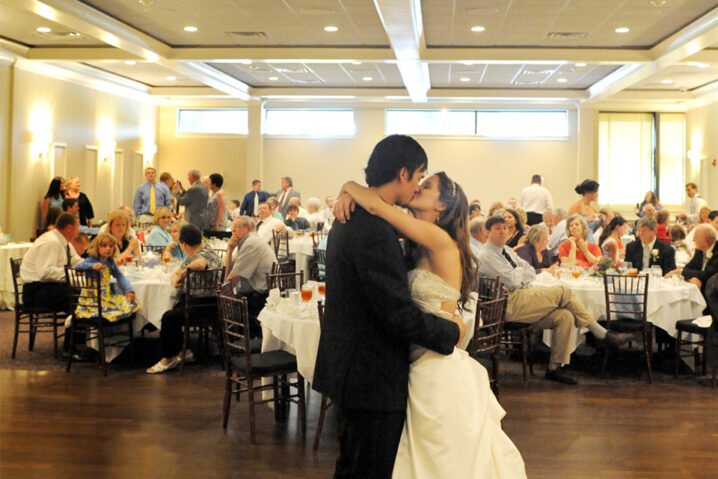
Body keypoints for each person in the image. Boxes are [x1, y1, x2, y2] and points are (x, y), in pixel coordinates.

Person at [337, 171, 526, 478]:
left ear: (441, 206)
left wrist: (348, 186)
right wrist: (350, 197)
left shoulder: (438, 239)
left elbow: (376, 205)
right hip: (412, 354)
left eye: (426, 187)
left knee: (439, 458)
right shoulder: (416, 240)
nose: (417, 189)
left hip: (434, 361)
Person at [313, 135, 465, 479]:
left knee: (355, 465)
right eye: (419, 176)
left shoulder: (356, 217)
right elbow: (396, 314)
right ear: (403, 173)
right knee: (369, 468)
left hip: (361, 368)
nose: (418, 186)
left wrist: (349, 186)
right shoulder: (374, 229)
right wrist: (452, 330)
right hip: (371, 375)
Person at [478, 215, 630, 385]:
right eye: (497, 228)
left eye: (505, 228)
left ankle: (554, 368)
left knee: (565, 316)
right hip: (507, 305)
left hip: (522, 295)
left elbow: (529, 270)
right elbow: (515, 280)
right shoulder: (487, 255)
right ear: (487, 232)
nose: (503, 231)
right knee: (563, 291)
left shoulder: (505, 250)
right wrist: (521, 274)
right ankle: (600, 332)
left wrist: (520, 273)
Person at [147, 225, 222, 374]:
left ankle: (167, 358)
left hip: (207, 305)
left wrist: (182, 275)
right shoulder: (195, 255)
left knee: (168, 317)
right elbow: (175, 274)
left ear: (184, 244)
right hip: (196, 301)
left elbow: (199, 264)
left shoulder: (204, 253)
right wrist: (177, 278)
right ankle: (182, 350)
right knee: (171, 310)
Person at [224, 216, 277, 337]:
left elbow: (233, 277)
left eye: (236, 227)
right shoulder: (246, 242)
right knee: (222, 298)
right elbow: (227, 271)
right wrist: (230, 249)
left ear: (247, 228)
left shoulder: (251, 243)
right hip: (255, 292)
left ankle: (232, 344)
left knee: (218, 303)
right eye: (232, 228)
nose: (233, 231)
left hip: (259, 296)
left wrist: (221, 290)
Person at [21, 213, 82, 312]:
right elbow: (45, 273)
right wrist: (74, 272)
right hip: (35, 291)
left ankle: (76, 324)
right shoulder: (51, 242)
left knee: (85, 291)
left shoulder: (64, 242)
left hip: (50, 286)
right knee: (79, 294)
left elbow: (77, 261)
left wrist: (91, 266)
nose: (79, 231)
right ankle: (75, 325)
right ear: (69, 228)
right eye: (77, 227)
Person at [74, 233, 140, 321]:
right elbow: (78, 266)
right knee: (119, 307)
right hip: (92, 299)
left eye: (111, 246)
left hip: (105, 296)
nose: (108, 249)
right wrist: (92, 266)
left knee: (131, 302)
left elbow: (119, 276)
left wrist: (129, 290)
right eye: (104, 246)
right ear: (97, 247)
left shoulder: (110, 262)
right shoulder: (92, 259)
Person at [666, 224, 718, 295]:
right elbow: (688, 267)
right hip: (700, 290)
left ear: (704, 241)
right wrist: (692, 279)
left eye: (695, 237)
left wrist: (680, 271)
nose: (693, 240)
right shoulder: (699, 251)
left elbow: (707, 274)